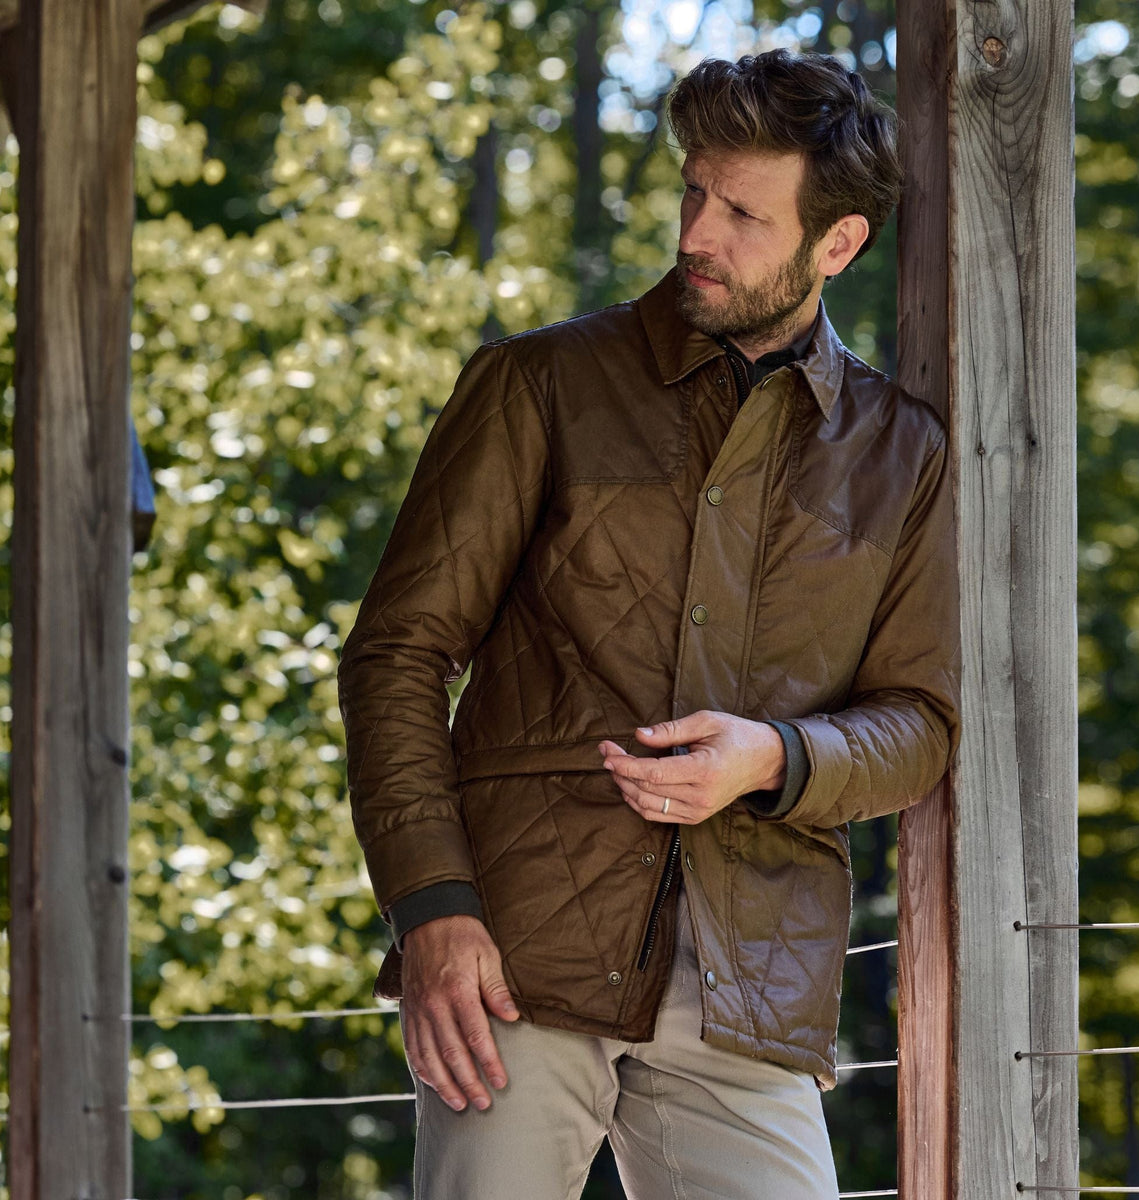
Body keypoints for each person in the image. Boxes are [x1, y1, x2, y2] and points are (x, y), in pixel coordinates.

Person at [338, 48, 960, 1200]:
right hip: (516, 960)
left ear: (838, 246)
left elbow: (919, 724)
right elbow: (397, 655)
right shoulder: (540, 384)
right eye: (693, 192)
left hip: (753, 984)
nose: (695, 234)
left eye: (740, 214)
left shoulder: (900, 453)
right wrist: (432, 910)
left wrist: (774, 757)